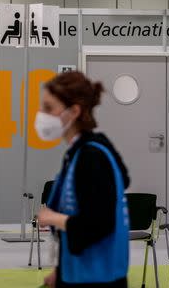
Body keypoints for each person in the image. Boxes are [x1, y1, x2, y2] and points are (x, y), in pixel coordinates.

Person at [36, 71, 131, 288]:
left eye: (49, 108)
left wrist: (52, 218)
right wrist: (60, 272)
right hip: (79, 271)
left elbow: (98, 223)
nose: (41, 114)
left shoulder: (92, 157)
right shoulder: (78, 153)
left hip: (96, 277)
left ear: (74, 111)